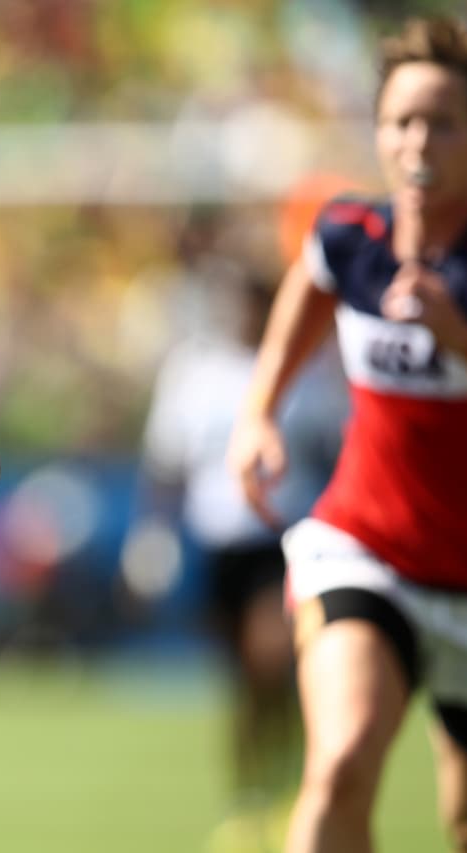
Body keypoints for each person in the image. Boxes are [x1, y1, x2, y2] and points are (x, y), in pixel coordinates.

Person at [227, 16, 467, 853]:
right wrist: (259, 409)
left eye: (442, 123)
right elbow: (312, 282)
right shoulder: (352, 234)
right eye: (401, 120)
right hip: (366, 551)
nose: (417, 142)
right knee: (338, 764)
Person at [124, 256, 347, 852]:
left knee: (270, 658)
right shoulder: (194, 373)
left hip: (282, 540)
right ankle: (252, 794)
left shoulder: (305, 371)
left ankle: (293, 787)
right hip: (217, 544)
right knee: (242, 680)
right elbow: (167, 462)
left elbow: (334, 454)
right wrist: (153, 535)